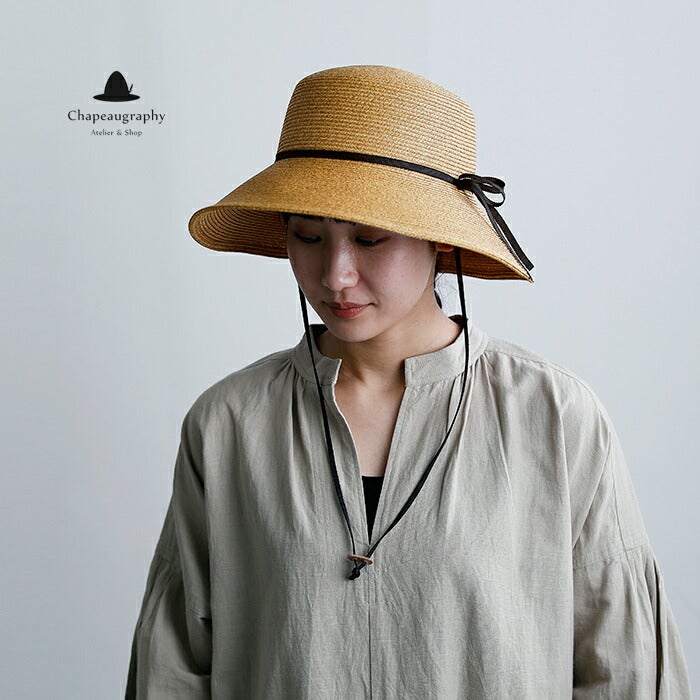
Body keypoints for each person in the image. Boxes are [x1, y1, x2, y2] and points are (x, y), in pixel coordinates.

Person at [125, 65, 691, 698]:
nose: (335, 275)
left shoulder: (554, 417)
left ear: (439, 243)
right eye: (308, 235)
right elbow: (173, 669)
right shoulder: (229, 424)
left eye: (370, 239)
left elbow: (627, 667)